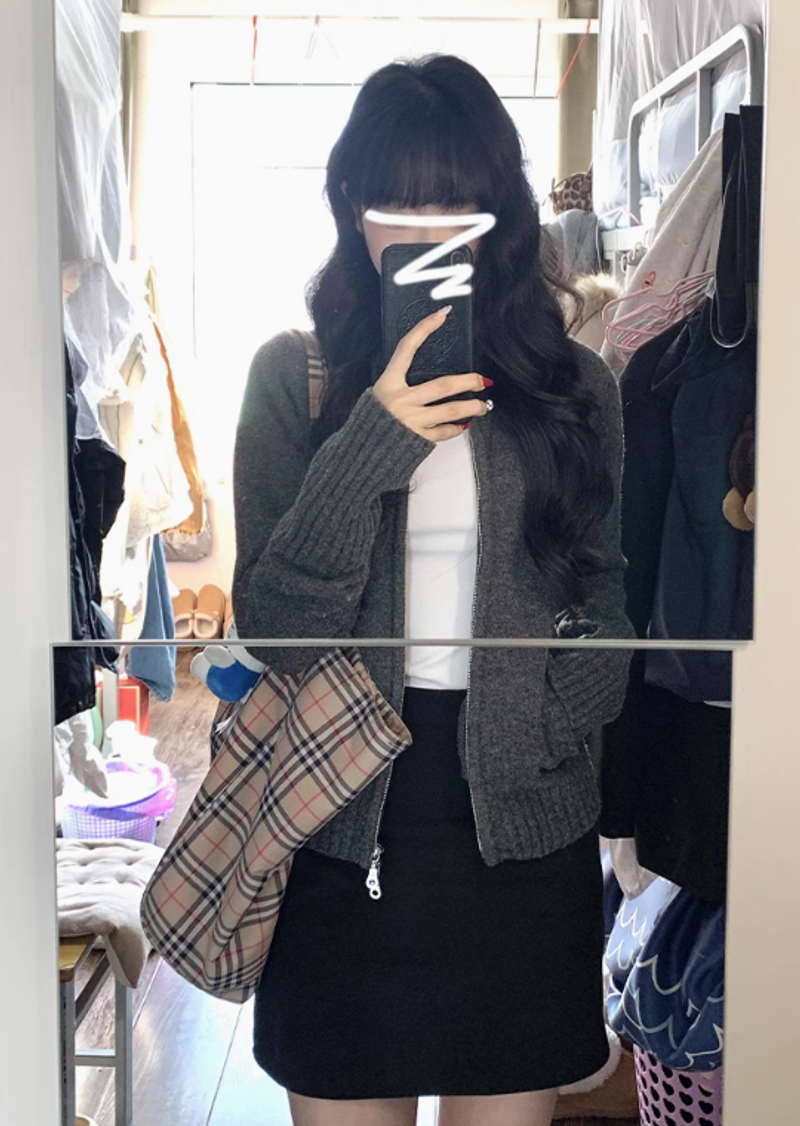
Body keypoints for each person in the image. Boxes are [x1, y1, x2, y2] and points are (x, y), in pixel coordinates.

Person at [232, 54, 634, 1126]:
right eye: (396, 201)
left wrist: (550, 719)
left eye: (454, 199)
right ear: (348, 205)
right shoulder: (295, 378)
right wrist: (374, 438)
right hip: (338, 813)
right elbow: (273, 631)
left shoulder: (573, 387)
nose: (426, 228)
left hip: (523, 824)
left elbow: (606, 594)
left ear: (500, 210)